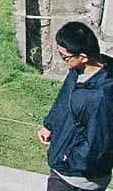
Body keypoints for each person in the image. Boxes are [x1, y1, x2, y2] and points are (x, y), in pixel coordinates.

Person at [40, 21, 113, 191]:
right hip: (65, 166)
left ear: (83, 56)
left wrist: (67, 159)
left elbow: (97, 144)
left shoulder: (100, 98)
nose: (63, 61)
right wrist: (50, 124)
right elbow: (65, 97)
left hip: (77, 179)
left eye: (65, 57)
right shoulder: (80, 71)